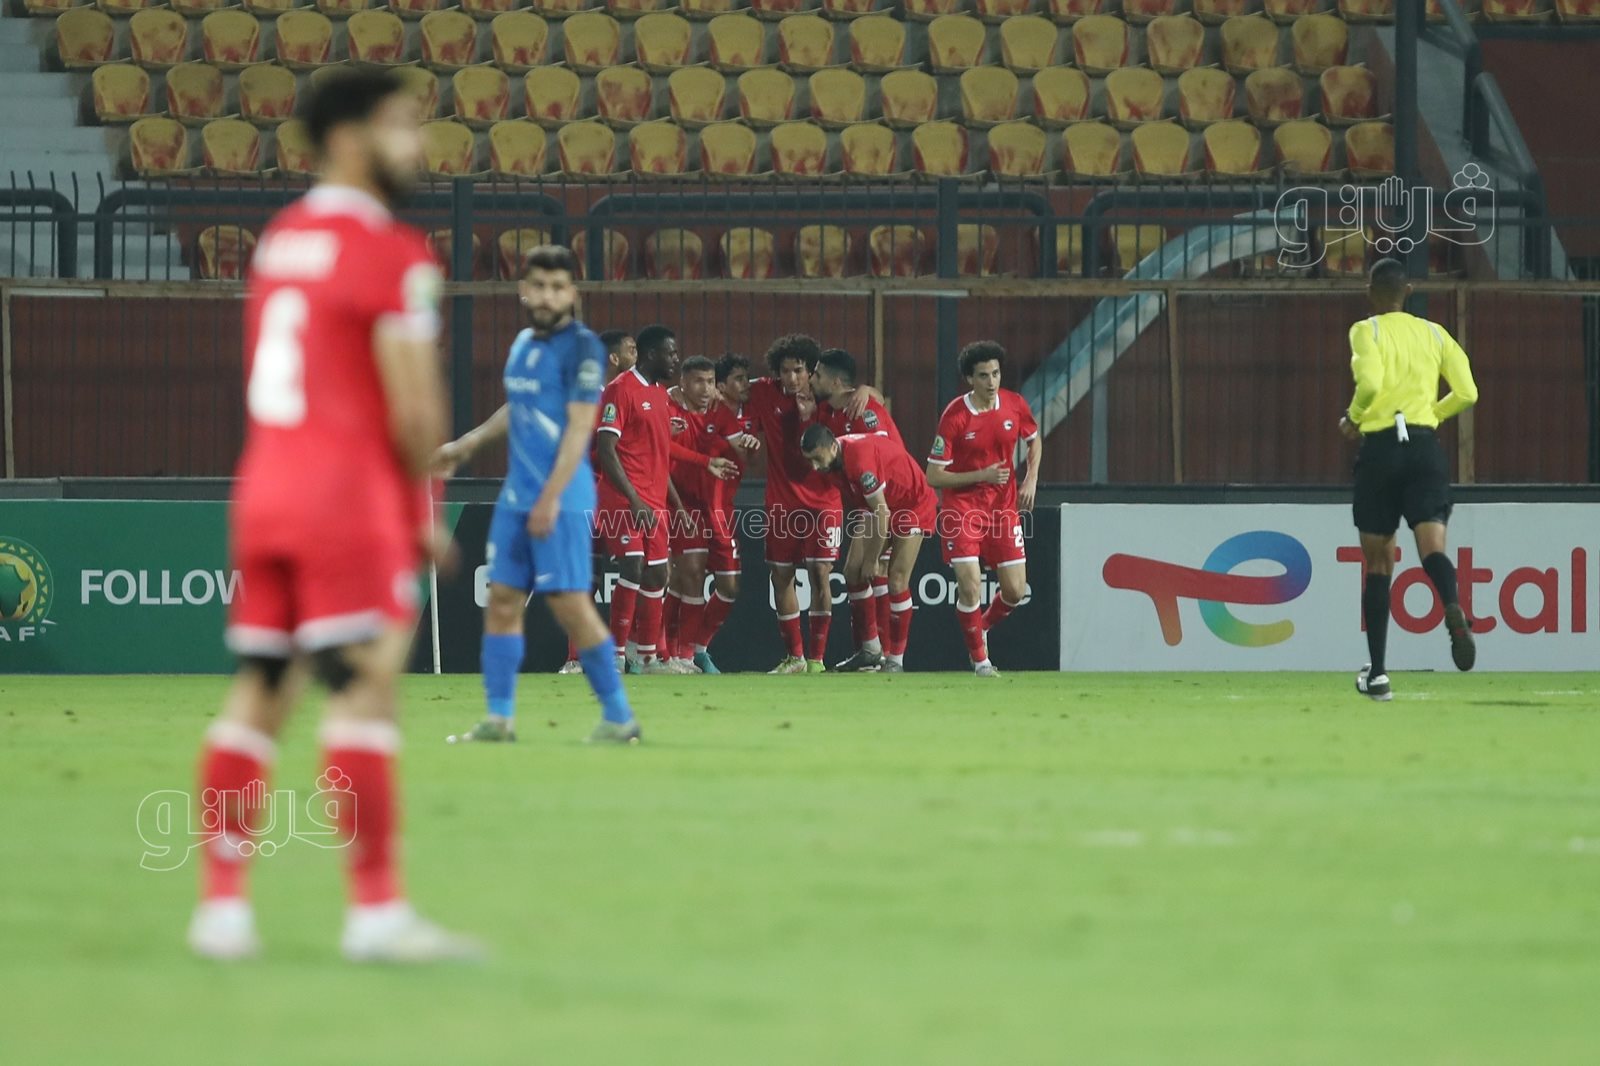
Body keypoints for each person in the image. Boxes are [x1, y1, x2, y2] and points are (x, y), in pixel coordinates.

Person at [191, 68, 478, 963]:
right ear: (350, 138)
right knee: (363, 694)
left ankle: (222, 910)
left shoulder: (281, 240)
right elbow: (416, 411)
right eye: (401, 125)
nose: (418, 145)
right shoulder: (392, 253)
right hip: (346, 500)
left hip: (266, 489)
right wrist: (419, 509)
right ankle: (376, 913)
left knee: (259, 692)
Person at [434, 247, 639, 744]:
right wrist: (466, 444)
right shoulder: (523, 344)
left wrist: (549, 497)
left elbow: (579, 429)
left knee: (570, 604)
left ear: (572, 294)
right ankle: (499, 719)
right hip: (516, 495)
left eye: (558, 287)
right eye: (539, 286)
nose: (547, 296)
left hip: (561, 497)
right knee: (503, 599)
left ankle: (619, 717)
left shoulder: (583, 349)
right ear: (524, 290)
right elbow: (518, 406)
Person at [1341, 257, 1480, 701]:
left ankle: (1379, 675)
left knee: (1378, 564)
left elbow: (1369, 384)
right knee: (1432, 548)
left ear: (1370, 293)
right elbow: (1468, 392)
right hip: (1423, 447)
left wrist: (1353, 417)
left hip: (1381, 449)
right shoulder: (1435, 333)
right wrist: (1431, 415)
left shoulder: (1367, 330)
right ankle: (1452, 607)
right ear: (1409, 291)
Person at [925, 341, 1041, 678]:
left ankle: (982, 626)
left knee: (1015, 591)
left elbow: (1034, 438)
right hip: (962, 510)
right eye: (983, 376)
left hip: (1003, 510)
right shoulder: (955, 417)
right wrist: (982, 476)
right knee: (970, 584)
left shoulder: (1014, 405)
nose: (991, 382)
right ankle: (981, 662)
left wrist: (1031, 479)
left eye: (996, 373)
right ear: (969, 379)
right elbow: (933, 475)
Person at [802, 425, 938, 673]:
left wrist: (872, 559)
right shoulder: (832, 463)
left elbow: (882, 514)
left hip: (912, 503)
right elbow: (874, 508)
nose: (814, 466)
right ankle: (871, 650)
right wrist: (866, 560)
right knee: (852, 572)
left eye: (817, 459)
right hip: (880, 505)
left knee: (896, 580)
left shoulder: (858, 461)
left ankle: (896, 660)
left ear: (832, 447)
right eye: (810, 460)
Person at [745, 335, 844, 674]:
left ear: (811, 371)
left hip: (824, 502)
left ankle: (817, 659)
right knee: (781, 576)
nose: (792, 378)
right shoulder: (763, 392)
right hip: (782, 503)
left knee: (820, 573)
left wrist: (866, 392)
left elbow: (861, 395)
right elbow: (731, 389)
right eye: (785, 371)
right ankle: (796, 658)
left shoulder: (828, 399)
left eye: (799, 370)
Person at [803, 348, 900, 664]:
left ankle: (884, 654)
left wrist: (868, 392)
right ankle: (872, 652)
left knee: (875, 572)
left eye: (817, 375)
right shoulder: (828, 412)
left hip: (888, 501)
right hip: (865, 503)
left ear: (834, 381)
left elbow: (886, 461)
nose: (811, 380)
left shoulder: (865, 409)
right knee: (860, 573)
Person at [664, 356, 760, 673]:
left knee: (728, 586)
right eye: (698, 381)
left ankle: (692, 648)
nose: (705, 389)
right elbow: (659, 450)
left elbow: (743, 452)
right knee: (690, 574)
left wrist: (749, 446)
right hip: (681, 504)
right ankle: (677, 655)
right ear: (682, 383)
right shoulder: (668, 407)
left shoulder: (722, 413)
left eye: (708, 382)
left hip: (719, 511)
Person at [556, 328, 637, 674]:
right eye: (631, 350)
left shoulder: (631, 395)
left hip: (620, 499)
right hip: (584, 500)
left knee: (641, 570)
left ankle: (635, 653)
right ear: (613, 358)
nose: (637, 357)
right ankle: (577, 657)